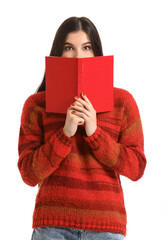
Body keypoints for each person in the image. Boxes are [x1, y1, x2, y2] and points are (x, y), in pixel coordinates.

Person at [17, 17, 146, 240]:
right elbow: (29, 174)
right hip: (52, 225)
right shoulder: (36, 105)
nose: (78, 56)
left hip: (106, 226)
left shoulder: (122, 102)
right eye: (69, 48)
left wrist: (95, 133)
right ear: (58, 53)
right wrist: (64, 133)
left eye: (87, 47)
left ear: (97, 53)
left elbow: (137, 168)